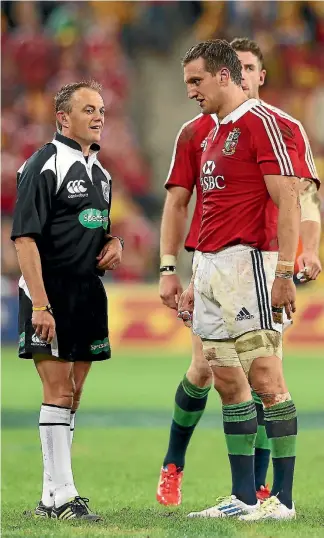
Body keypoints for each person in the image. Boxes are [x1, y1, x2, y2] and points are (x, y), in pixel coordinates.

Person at [157, 38, 321, 508]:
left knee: (266, 379)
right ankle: (243, 495)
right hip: (210, 266)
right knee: (226, 380)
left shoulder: (269, 124)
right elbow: (198, 204)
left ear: (230, 75)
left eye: (195, 80)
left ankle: (282, 499)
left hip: (251, 262)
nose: (189, 90)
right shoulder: (204, 131)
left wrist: (289, 266)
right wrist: (189, 272)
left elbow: (293, 198)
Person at [11, 80, 124, 521]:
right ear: (63, 118)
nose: (99, 117)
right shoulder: (44, 164)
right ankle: (63, 498)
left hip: (88, 296)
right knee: (57, 390)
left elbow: (94, 230)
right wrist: (40, 305)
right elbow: (24, 238)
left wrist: (114, 243)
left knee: (72, 396)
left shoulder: (102, 174)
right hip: (50, 295)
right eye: (89, 109)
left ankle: (49, 497)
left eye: (102, 110)